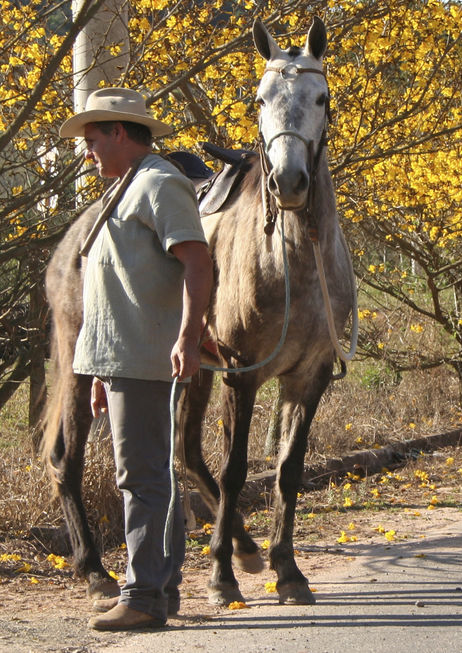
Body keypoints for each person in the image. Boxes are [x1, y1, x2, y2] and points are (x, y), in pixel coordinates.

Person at [59, 88, 213, 630]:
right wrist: (101, 367)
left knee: (142, 479)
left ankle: (144, 596)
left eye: (93, 139)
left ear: (120, 132)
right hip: (123, 361)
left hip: (148, 360)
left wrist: (189, 338)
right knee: (150, 476)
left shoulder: (158, 183)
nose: (88, 151)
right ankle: (159, 590)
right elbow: (115, 290)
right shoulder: (125, 188)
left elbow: (197, 262)